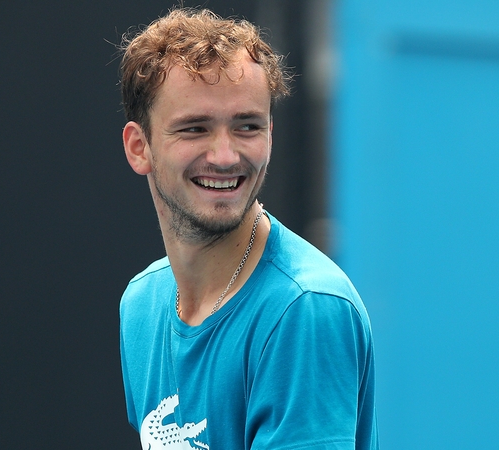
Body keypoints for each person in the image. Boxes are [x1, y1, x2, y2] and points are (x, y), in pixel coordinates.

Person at [118, 7, 377, 449]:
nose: (225, 156)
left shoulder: (304, 310)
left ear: (270, 135)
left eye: (247, 127)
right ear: (139, 147)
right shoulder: (141, 304)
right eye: (195, 128)